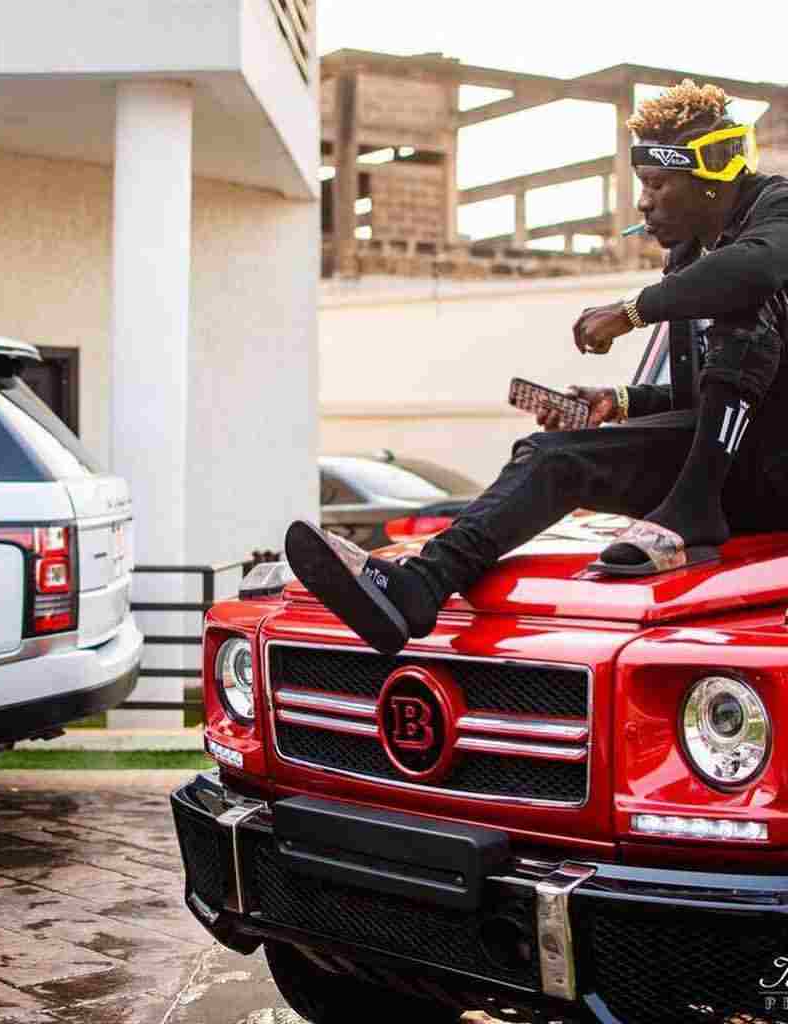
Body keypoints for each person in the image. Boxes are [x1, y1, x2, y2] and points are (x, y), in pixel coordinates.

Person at [286, 79, 788, 655]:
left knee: (744, 300)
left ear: (711, 175)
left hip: (773, 469)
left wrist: (631, 310)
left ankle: (694, 511)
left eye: (655, 184)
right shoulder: (688, 258)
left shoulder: (776, 210)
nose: (643, 203)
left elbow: (757, 272)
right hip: (731, 466)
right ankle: (420, 586)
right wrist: (619, 403)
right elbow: (716, 401)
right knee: (550, 457)